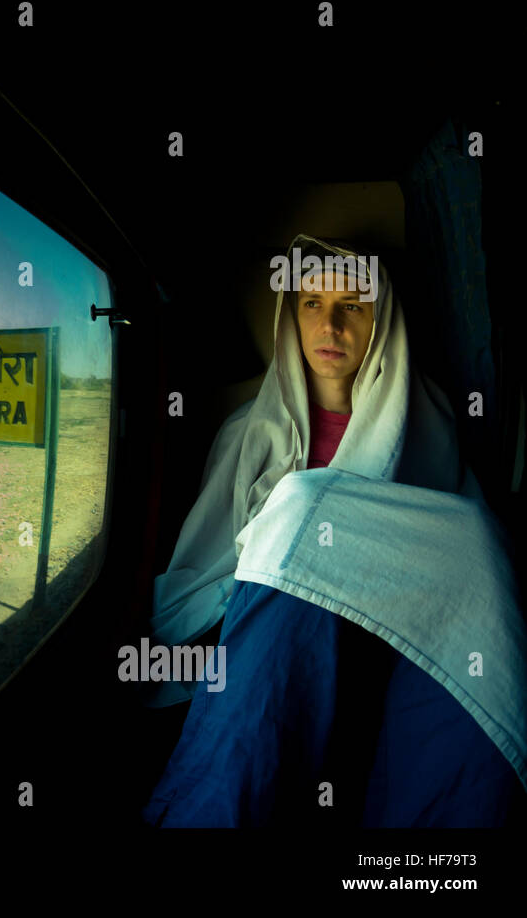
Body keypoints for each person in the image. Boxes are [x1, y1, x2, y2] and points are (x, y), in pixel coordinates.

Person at [139, 233, 527, 826]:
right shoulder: (248, 433)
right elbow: (213, 561)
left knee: (481, 535)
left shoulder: (432, 421)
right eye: (312, 304)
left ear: (382, 319)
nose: (331, 325)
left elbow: (455, 559)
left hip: (395, 631)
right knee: (299, 502)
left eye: (353, 305)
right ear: (290, 317)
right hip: (285, 636)